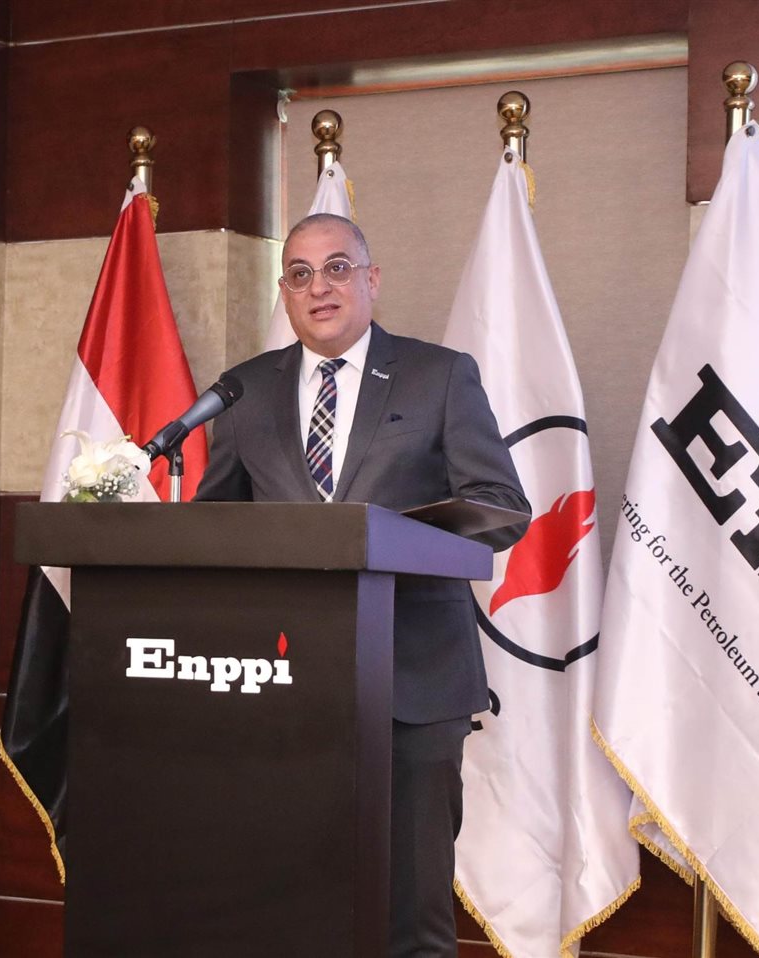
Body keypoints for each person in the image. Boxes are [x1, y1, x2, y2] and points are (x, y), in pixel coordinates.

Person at [195, 213, 529, 957]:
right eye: (301, 274)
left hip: (415, 682)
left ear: (372, 280)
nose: (320, 287)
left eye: (338, 268)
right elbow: (217, 527)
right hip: (283, 688)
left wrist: (394, 539)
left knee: (413, 920)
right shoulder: (245, 391)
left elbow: (501, 506)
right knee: (294, 911)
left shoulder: (439, 376)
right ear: (284, 292)